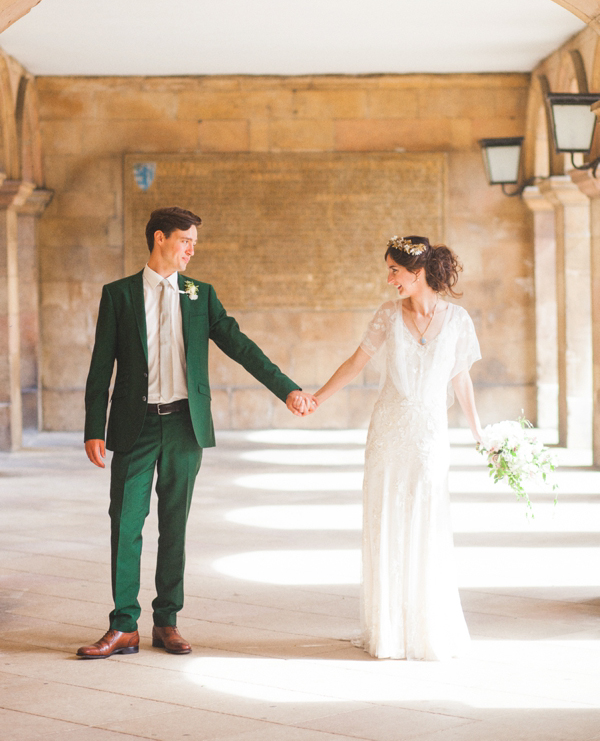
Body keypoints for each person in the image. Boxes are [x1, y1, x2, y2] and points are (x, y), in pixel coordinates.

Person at [77, 206, 315, 659]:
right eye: (185, 241)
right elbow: (99, 365)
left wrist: (287, 390)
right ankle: (123, 625)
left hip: (186, 424)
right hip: (135, 425)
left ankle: (167, 620)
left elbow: (241, 346)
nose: (190, 250)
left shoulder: (199, 294)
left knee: (174, 525)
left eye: (193, 244)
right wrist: (93, 426)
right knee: (124, 524)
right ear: (160, 238)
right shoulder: (120, 295)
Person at [310, 235, 482, 660]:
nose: (389, 279)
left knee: (428, 520)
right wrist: (316, 398)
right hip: (388, 431)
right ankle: (389, 629)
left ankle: (426, 626)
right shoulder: (388, 315)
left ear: (418, 272)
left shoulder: (458, 320)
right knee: (387, 518)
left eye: (395, 270)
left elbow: (461, 379)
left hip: (429, 435)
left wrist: (480, 434)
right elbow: (356, 362)